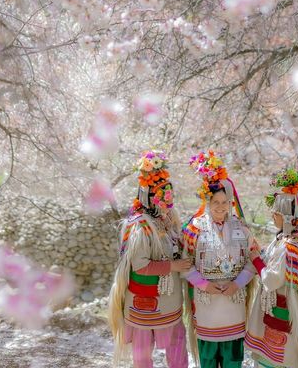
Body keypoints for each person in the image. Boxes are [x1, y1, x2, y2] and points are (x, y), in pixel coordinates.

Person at [108, 150, 190, 367]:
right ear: (148, 196)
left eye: (168, 193)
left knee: (178, 349)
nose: (167, 199)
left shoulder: (169, 221)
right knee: (143, 356)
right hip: (144, 305)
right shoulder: (140, 226)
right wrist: (173, 265)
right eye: (161, 194)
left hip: (169, 302)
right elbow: (140, 265)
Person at [245, 167, 298, 368]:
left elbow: (272, 280)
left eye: (276, 212)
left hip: (280, 313)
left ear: (287, 216)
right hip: (296, 313)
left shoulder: (289, 247)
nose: (272, 215)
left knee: (276, 360)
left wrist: (256, 259)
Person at [182, 150, 257, 368]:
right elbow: (185, 264)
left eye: (226, 202)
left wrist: (238, 284)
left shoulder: (242, 228)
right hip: (207, 303)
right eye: (216, 201)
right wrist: (205, 285)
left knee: (233, 358)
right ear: (207, 200)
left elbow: (253, 259)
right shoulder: (194, 229)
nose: (221, 207)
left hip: (234, 301)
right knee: (208, 358)